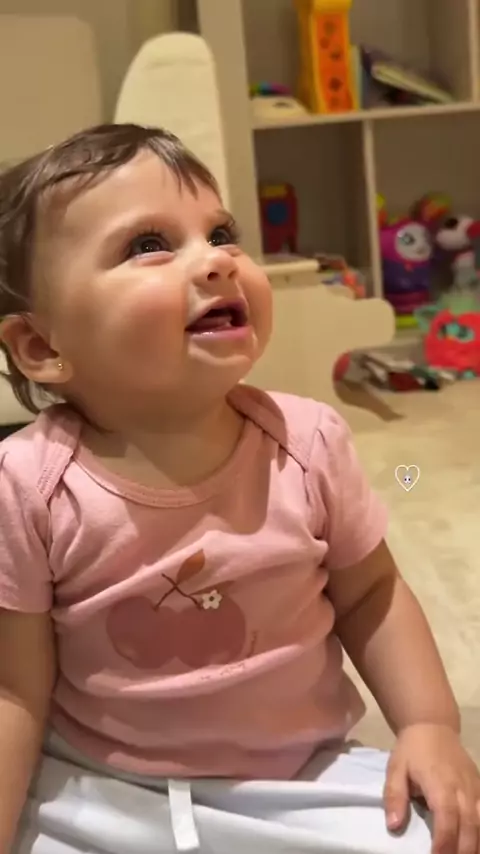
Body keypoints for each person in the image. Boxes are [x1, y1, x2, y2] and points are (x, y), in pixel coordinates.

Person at [0, 123, 478, 854]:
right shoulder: (29, 486)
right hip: (99, 784)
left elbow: (373, 593)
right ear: (42, 346)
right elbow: (16, 689)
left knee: (441, 834)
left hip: (298, 781)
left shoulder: (307, 445)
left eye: (221, 233)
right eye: (149, 244)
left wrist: (429, 725)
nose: (218, 260)